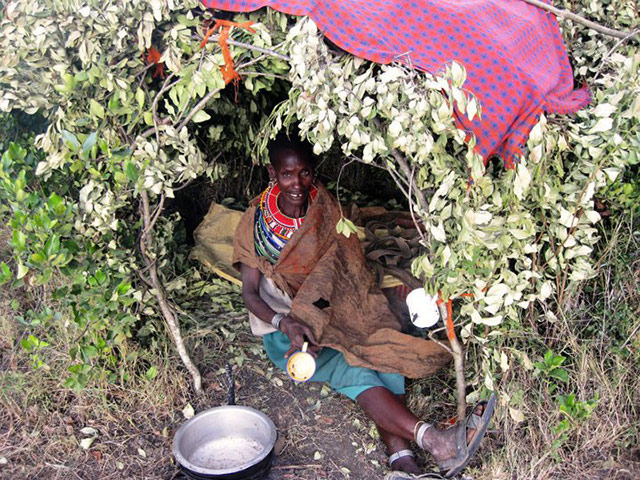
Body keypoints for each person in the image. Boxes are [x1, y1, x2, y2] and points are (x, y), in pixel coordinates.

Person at [232, 134, 495, 479]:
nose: (297, 184)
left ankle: (403, 461)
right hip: (291, 332)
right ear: (272, 172)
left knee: (382, 346)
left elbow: (344, 268)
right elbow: (250, 294)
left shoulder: (325, 208)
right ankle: (436, 443)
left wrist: (330, 309)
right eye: (287, 175)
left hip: (337, 307)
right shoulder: (255, 223)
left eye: (306, 173)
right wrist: (286, 323)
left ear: (314, 172)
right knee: (355, 368)